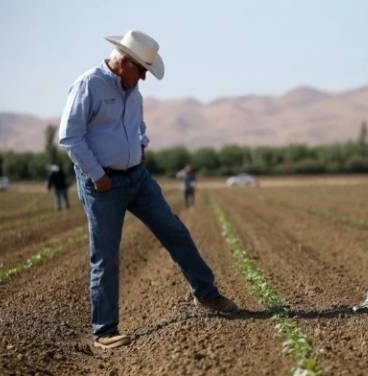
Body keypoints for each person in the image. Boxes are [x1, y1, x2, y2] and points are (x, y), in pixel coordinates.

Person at [58, 30, 237, 350]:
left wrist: (140, 147)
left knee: (175, 231)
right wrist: (98, 175)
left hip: (137, 178)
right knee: (107, 255)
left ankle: (207, 295)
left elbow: (139, 128)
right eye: (141, 70)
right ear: (124, 62)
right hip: (103, 185)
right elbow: (70, 137)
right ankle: (105, 331)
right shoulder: (89, 85)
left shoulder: (133, 91)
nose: (143, 77)